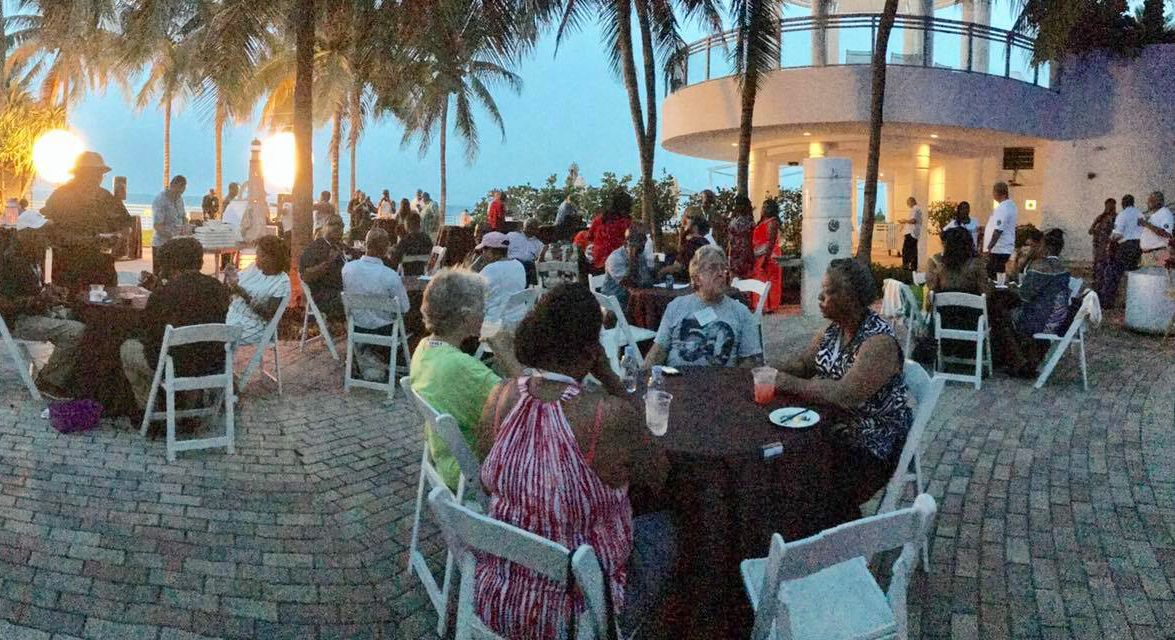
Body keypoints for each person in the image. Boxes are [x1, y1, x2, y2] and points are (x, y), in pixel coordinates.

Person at [474, 284, 672, 638]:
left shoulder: (499, 396)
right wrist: (611, 378)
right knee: (669, 527)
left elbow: (486, 480)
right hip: (575, 614)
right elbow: (659, 474)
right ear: (591, 349)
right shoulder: (606, 417)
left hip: (497, 596)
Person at [773, 258, 912, 524]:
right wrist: (762, 368)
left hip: (870, 444)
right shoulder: (833, 330)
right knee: (782, 464)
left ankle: (837, 540)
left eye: (830, 290)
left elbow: (845, 395)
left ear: (853, 297)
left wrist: (785, 382)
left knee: (806, 480)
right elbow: (803, 364)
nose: (821, 296)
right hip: (833, 430)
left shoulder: (878, 341)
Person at [410, 269, 523, 490]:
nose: (485, 312)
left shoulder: (424, 349)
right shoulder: (464, 369)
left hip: (445, 457)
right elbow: (530, 411)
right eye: (483, 307)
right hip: (470, 469)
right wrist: (506, 355)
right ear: (466, 317)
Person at [120, 238, 231, 411]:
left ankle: (150, 408)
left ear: (170, 265)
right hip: (212, 362)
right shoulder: (218, 288)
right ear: (200, 261)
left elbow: (150, 331)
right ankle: (190, 400)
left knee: (128, 347)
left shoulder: (164, 294)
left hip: (176, 366)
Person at [0, 226, 83, 398]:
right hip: (18, 322)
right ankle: (49, 382)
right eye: (39, 233)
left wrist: (49, 291)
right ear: (26, 235)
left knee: (79, 316)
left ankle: (71, 377)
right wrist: (39, 300)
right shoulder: (9, 262)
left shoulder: (29, 258)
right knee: (76, 332)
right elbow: (6, 303)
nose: (44, 237)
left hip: (33, 314)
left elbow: (32, 289)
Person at [646, 245, 762, 369]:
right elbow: (658, 351)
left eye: (723, 268)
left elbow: (751, 361)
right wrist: (644, 377)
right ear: (696, 279)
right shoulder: (676, 306)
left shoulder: (741, 312)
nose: (721, 274)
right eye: (712, 268)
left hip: (720, 384)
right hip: (678, 382)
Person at [40, 151, 131, 291]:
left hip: (102, 270)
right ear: (80, 174)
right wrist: (84, 240)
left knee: (105, 308)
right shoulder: (60, 196)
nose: (98, 178)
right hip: (69, 270)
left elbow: (125, 224)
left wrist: (120, 240)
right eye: (93, 173)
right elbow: (47, 228)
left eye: (100, 174)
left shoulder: (106, 197)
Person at [991, 229, 1072, 376]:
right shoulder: (1064, 268)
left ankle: (1019, 362)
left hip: (1042, 321)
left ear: (1045, 247)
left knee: (1000, 315)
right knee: (1006, 312)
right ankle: (1027, 357)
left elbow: (1024, 296)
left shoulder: (1040, 267)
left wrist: (1010, 287)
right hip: (1059, 318)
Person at [342, 227, 412, 380]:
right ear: (386, 248)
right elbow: (404, 308)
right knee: (413, 321)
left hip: (357, 327)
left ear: (366, 245)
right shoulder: (391, 276)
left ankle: (369, 359)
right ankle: (401, 365)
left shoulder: (348, 269)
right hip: (384, 331)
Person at [926, 227, 989, 359]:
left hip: (944, 325)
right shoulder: (976, 265)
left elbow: (931, 296)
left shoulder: (941, 268)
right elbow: (986, 294)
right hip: (971, 325)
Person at [225, 235, 291, 344]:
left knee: (212, 340)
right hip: (232, 316)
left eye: (259, 255)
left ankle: (225, 360)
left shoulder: (281, 282)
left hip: (254, 326)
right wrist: (229, 278)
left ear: (270, 258)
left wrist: (245, 295)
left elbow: (269, 315)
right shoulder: (253, 269)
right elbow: (233, 287)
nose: (256, 258)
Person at [298, 215, 348, 319]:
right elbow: (305, 275)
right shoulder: (315, 248)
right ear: (323, 227)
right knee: (358, 301)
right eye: (332, 224)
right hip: (324, 297)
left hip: (343, 291)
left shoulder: (342, 247)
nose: (337, 227)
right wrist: (328, 262)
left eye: (341, 225)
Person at [476, 231, 528, 324]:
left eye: (483, 250)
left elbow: (474, 293)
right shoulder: (519, 265)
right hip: (519, 319)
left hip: (494, 322)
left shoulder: (490, 269)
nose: (482, 254)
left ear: (491, 250)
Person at [1104, 193, 1143, 306]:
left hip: (1126, 247)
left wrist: (1110, 240)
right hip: (1138, 246)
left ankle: (1108, 302)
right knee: (1131, 273)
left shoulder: (1122, 214)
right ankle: (1129, 301)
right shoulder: (1140, 214)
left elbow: (1117, 235)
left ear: (1123, 204)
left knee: (1113, 273)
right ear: (1133, 202)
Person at [602, 228, 655, 307]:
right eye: (639, 243)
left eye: (644, 243)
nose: (642, 247)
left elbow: (645, 280)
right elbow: (628, 283)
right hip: (615, 301)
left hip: (633, 298)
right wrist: (632, 257)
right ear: (627, 244)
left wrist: (655, 271)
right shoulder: (615, 258)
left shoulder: (640, 255)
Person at [587, 190, 634, 273]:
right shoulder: (626, 223)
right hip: (616, 265)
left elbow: (590, 238)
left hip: (597, 265)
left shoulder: (598, 220)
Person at [750, 197, 783, 312]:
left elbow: (771, 242)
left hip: (768, 256)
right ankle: (763, 306)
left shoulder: (772, 222)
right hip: (760, 254)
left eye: (767, 207)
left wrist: (765, 259)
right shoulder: (764, 221)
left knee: (770, 281)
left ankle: (769, 307)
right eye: (763, 206)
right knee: (761, 280)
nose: (764, 209)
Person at [983, 181, 1018, 278]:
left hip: (999, 249)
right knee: (999, 276)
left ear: (998, 193)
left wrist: (989, 247)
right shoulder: (1011, 205)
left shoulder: (1003, 208)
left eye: (993, 192)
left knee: (994, 275)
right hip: (1004, 248)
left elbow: (998, 230)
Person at [658, 216, 709, 282]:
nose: (684, 226)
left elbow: (678, 267)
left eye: (687, 224)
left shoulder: (689, 245)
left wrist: (661, 271)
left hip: (686, 282)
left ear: (695, 228)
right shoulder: (707, 244)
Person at [1089, 198, 1117, 307]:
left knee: (1108, 276)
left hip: (1109, 252)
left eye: (1110, 206)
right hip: (1098, 251)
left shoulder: (1116, 218)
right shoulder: (1100, 218)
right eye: (1106, 205)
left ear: (1114, 206)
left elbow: (1117, 234)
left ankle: (1106, 301)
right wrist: (1095, 225)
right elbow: (1090, 231)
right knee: (1097, 274)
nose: (1108, 208)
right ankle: (1095, 299)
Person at [152, 175, 189, 250]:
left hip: (176, 244)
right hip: (162, 245)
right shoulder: (160, 200)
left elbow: (183, 217)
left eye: (181, 192)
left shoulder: (179, 199)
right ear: (172, 186)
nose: (178, 194)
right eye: (177, 191)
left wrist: (186, 227)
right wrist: (172, 235)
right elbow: (157, 225)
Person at [506, 218, 545, 284]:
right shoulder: (512, 236)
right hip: (511, 263)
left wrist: (543, 252)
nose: (531, 229)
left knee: (530, 265)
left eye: (535, 228)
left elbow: (539, 259)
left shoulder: (538, 244)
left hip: (528, 267)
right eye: (529, 226)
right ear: (525, 226)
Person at [1140, 191, 1173, 268]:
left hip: (1158, 254)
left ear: (1158, 202)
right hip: (1149, 255)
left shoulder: (1165, 213)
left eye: (1150, 200)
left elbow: (1166, 234)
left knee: (1158, 279)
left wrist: (1146, 224)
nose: (1147, 202)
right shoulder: (1155, 215)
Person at [726, 195, 756, 279]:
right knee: (742, 278)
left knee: (737, 278)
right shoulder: (748, 220)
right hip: (739, 251)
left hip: (739, 252)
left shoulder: (735, 220)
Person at [897, 197, 922, 271]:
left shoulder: (914, 209)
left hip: (911, 233)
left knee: (906, 251)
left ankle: (906, 267)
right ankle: (914, 267)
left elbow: (913, 220)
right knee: (913, 250)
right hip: (915, 233)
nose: (908, 205)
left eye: (908, 203)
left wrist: (904, 221)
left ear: (911, 202)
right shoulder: (918, 209)